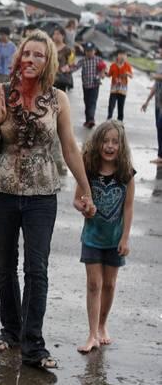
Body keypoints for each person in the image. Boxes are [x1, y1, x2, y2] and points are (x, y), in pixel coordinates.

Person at [0, 30, 96, 369]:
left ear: (48, 61)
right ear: (18, 57)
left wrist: (85, 188)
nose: (30, 60)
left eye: (39, 55)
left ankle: (33, 346)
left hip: (42, 196)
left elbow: (69, 147)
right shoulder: (0, 93)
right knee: (5, 268)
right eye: (27, 53)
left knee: (36, 270)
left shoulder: (58, 99)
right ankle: (10, 331)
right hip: (2, 193)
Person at [75, 120, 135, 353]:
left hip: (115, 239)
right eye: (105, 141)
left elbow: (128, 208)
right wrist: (84, 207)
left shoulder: (126, 173)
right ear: (97, 142)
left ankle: (102, 325)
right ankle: (91, 335)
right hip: (91, 236)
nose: (109, 146)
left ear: (121, 146)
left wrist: (125, 238)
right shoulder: (88, 168)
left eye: (115, 142)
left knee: (109, 285)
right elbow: (76, 199)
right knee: (93, 284)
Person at [74, 41, 107, 128]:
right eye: (87, 51)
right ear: (85, 51)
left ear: (94, 51)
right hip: (85, 85)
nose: (89, 53)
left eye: (91, 51)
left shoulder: (98, 60)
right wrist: (67, 70)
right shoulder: (83, 60)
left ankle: (91, 119)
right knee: (87, 103)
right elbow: (75, 67)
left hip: (94, 85)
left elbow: (104, 69)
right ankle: (87, 120)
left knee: (92, 102)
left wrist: (102, 74)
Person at [140, 42, 162, 165]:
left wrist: (155, 76)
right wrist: (147, 101)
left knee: (161, 125)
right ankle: (160, 155)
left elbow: (158, 78)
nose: (160, 51)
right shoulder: (160, 65)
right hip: (158, 102)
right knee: (159, 128)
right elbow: (156, 85)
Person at [106, 49, 133, 122]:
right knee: (111, 105)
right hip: (114, 89)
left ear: (126, 57)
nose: (123, 57)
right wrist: (105, 72)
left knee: (120, 107)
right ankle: (109, 119)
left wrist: (128, 73)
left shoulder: (127, 66)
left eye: (124, 55)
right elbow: (109, 75)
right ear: (117, 56)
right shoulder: (113, 65)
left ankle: (120, 122)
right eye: (121, 55)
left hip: (122, 90)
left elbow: (131, 76)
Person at [52, 26, 75, 92]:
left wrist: (68, 68)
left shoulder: (67, 50)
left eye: (58, 34)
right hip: (50, 78)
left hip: (61, 79)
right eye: (54, 34)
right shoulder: (49, 47)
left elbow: (72, 63)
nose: (56, 36)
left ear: (63, 36)